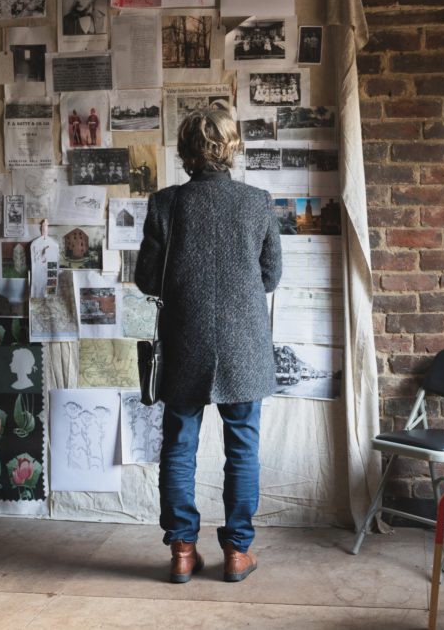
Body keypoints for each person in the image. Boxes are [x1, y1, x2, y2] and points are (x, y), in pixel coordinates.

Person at [134, 105, 282, 585]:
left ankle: (182, 550)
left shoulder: (165, 204)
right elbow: (270, 277)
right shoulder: (258, 202)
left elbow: (146, 279)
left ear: (185, 152)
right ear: (232, 148)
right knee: (242, 449)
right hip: (244, 344)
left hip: (184, 341)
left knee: (179, 445)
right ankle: (238, 553)